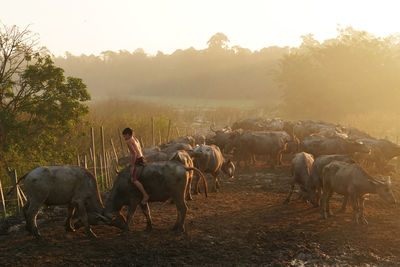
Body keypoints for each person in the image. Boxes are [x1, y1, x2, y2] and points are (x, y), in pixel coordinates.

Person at [122, 127, 149, 205]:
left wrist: (133, 165)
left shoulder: (128, 141)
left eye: (124, 136)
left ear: (127, 134)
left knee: (134, 179)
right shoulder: (135, 139)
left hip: (137, 160)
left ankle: (145, 195)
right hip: (142, 158)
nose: (124, 138)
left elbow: (134, 154)